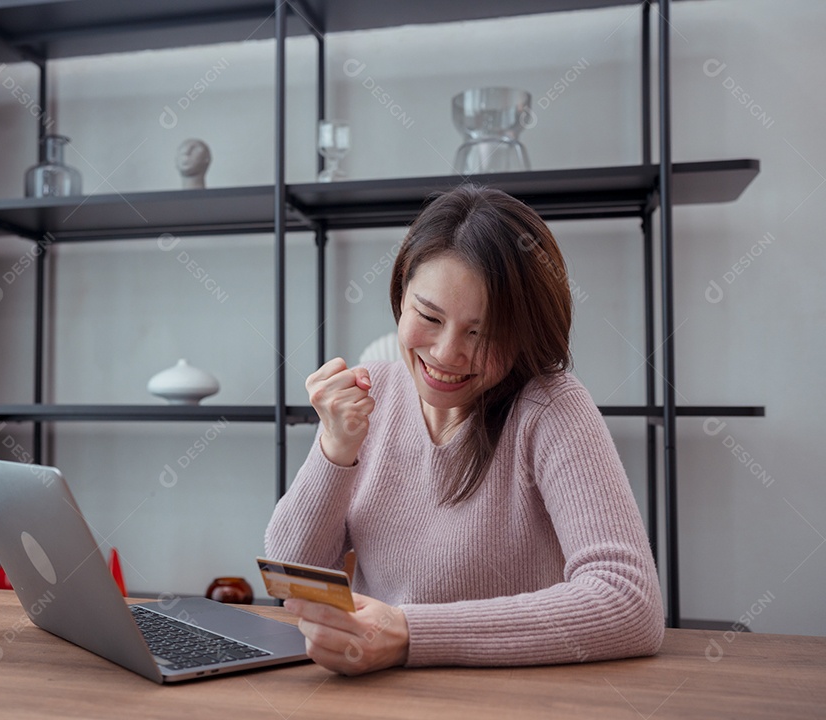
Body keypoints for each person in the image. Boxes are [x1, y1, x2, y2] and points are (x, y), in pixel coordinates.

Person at [264, 184, 665, 675]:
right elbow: (292, 579)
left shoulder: (551, 408)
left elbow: (631, 602)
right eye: (428, 316)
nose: (447, 354)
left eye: (483, 333)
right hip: (378, 697)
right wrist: (335, 450)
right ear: (401, 295)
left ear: (525, 334)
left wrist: (409, 633)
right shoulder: (374, 394)